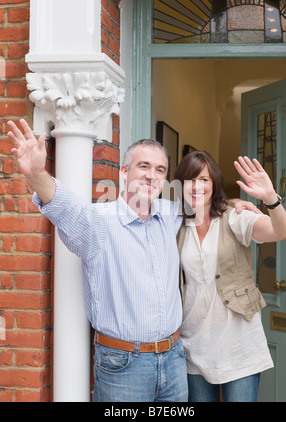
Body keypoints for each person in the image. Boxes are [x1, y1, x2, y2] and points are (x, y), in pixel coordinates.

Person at [6, 119, 260, 402]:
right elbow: (67, 209)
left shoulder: (170, 214)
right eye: (144, 166)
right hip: (124, 365)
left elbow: (205, 202)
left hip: (175, 360)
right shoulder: (100, 221)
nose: (152, 175)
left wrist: (233, 203)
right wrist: (38, 175)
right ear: (124, 171)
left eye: (160, 170)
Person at [174, 151, 286, 402]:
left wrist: (271, 199)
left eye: (204, 179)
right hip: (193, 346)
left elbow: (282, 232)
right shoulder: (175, 223)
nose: (196, 186)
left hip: (239, 347)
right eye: (190, 180)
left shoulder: (235, 217)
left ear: (214, 183)